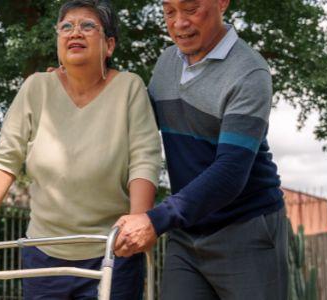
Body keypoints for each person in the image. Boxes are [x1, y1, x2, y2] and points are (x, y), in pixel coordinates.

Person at [0, 0, 162, 298]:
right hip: (43, 254)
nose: (75, 32)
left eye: (88, 26)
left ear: (109, 44)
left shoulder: (129, 87)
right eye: (66, 26)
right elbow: (5, 160)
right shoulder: (36, 88)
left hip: (113, 249)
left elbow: (144, 159)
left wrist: (140, 219)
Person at [113, 0, 289, 299]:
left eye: (191, 8)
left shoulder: (249, 72)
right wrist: (80, 83)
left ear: (222, 3)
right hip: (187, 232)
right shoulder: (167, 63)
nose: (179, 23)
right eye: (169, 12)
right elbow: (135, 125)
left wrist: (156, 220)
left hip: (246, 231)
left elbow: (230, 172)